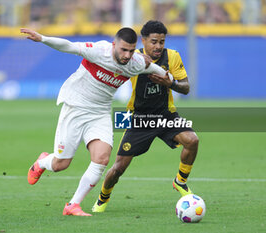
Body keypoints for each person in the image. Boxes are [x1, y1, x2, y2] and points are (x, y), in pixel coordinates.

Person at [21, 27, 172, 216]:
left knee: (101, 159)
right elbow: (69, 46)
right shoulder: (99, 51)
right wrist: (42, 38)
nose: (127, 55)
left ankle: (72, 205)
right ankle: (43, 162)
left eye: (131, 51)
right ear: (114, 45)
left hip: (100, 112)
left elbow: (162, 73)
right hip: (76, 106)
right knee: (61, 164)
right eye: (123, 50)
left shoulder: (137, 62)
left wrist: (171, 80)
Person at [92, 20, 199, 213]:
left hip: (166, 115)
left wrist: (170, 83)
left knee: (192, 140)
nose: (158, 46)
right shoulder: (133, 58)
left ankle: (180, 181)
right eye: (154, 41)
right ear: (143, 40)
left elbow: (186, 87)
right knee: (118, 169)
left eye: (162, 42)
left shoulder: (172, 57)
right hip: (140, 118)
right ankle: (103, 197)